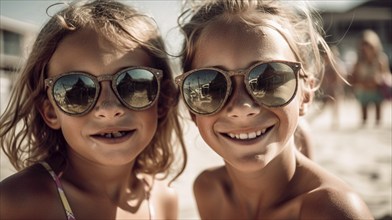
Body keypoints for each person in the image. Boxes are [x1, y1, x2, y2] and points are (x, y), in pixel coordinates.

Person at [176, 0, 373, 219]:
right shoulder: (208, 190)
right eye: (211, 87)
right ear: (191, 108)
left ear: (305, 94)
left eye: (269, 81)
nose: (242, 107)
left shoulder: (333, 211)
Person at [0, 0, 186, 219]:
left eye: (133, 84)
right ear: (50, 111)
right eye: (76, 91)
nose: (108, 108)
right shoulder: (16, 202)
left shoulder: (162, 199)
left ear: (162, 100)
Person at [351, 29, 391, 126]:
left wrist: (378, 79)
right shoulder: (359, 61)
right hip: (363, 90)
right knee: (364, 117)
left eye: (370, 46)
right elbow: (354, 76)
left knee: (378, 118)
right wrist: (362, 82)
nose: (367, 49)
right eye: (365, 46)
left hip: (376, 89)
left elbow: (386, 74)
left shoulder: (381, 59)